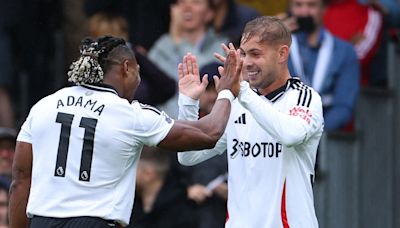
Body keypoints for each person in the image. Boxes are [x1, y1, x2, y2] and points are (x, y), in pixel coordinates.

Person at [9, 35, 243, 228]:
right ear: (127, 68)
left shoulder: (43, 106)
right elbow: (209, 133)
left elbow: (20, 180)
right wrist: (226, 91)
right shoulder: (129, 114)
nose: (139, 81)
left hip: (42, 222)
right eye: (138, 73)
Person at [178, 16, 324, 227]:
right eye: (243, 54)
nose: (246, 62)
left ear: (282, 53)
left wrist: (242, 92)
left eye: (256, 54)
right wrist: (189, 103)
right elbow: (188, 157)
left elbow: (290, 135)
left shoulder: (305, 98)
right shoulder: (238, 103)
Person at [279, 0, 360, 131]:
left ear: (324, 9)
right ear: (290, 9)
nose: (304, 12)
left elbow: (344, 106)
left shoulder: (345, 52)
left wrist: (313, 134)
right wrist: (272, 38)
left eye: (311, 5)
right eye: (298, 5)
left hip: (325, 138)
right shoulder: (278, 48)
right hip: (281, 134)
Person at [148, 0, 228, 118]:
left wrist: (180, 42)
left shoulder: (222, 45)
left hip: (206, 126)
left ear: (209, 13)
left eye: (196, 2)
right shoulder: (161, 46)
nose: (187, 7)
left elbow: (209, 75)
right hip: (165, 127)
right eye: (181, 2)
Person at [128, 146, 196, 228]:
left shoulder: (180, 206)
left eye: (133, 169)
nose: (128, 174)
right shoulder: (131, 203)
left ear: (148, 174)